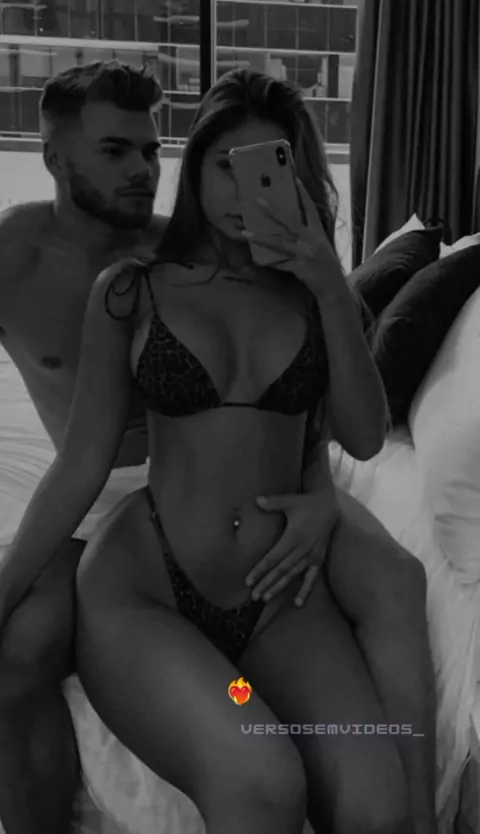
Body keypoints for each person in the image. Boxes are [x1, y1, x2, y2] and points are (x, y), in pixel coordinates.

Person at [0, 64, 437, 834]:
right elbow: (80, 465)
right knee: (263, 777)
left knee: (377, 807)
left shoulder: (309, 294)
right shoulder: (132, 287)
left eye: (268, 168)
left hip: (271, 610)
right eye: (225, 167)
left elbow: (361, 437)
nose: (243, 192)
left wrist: (329, 284)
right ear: (198, 169)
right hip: (150, 592)